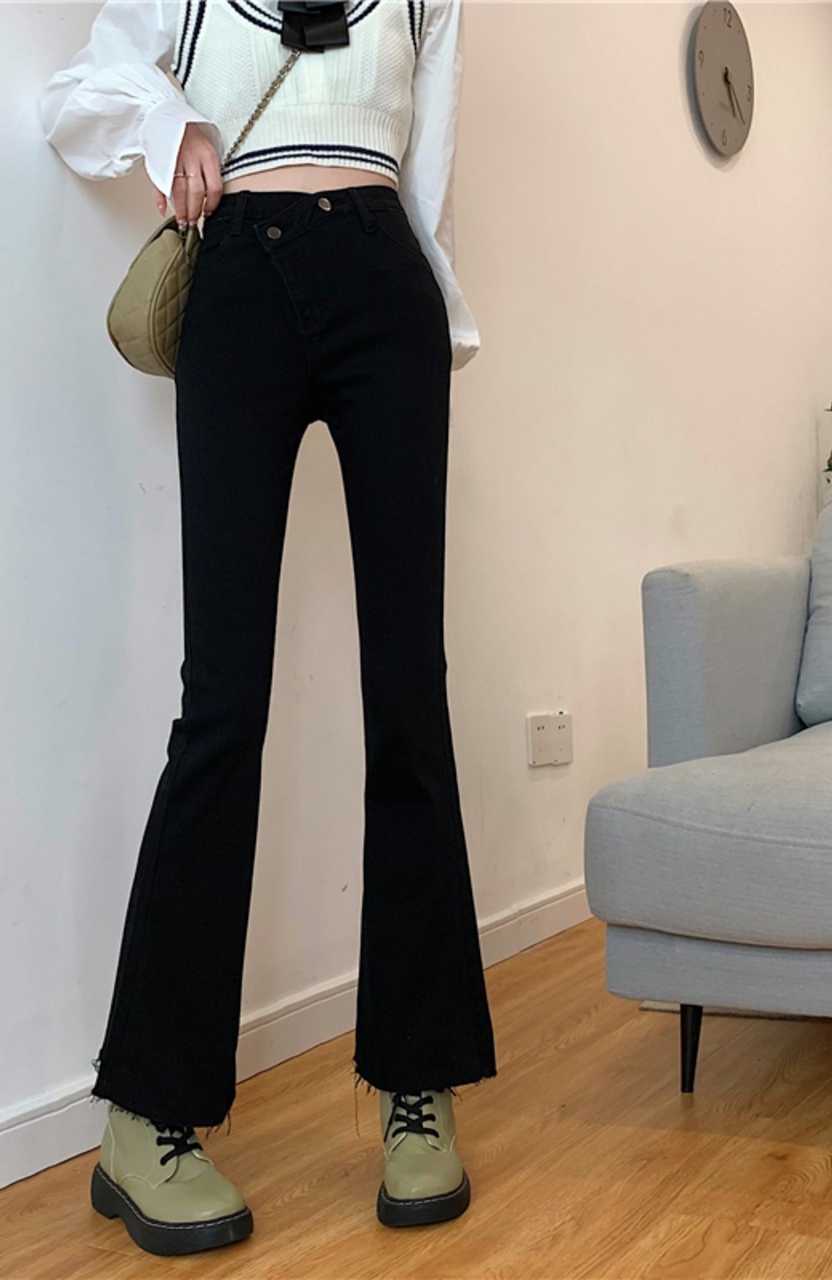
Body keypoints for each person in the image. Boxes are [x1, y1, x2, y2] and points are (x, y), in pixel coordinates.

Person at [37, 0, 496, 1256]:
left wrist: (435, 312)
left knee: (408, 690)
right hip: (237, 277)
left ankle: (418, 1082)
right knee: (223, 702)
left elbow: (432, 158)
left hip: (385, 285)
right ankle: (145, 1112)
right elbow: (73, 98)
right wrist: (168, 119)